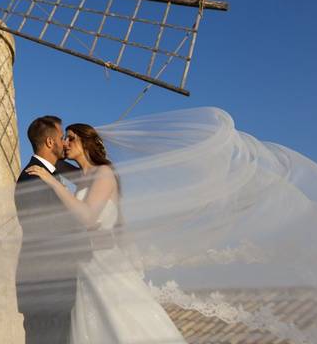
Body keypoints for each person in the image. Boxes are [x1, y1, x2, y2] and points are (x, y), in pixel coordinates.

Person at [25, 123, 187, 344]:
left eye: (71, 138)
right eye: (64, 137)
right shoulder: (82, 176)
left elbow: (88, 217)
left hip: (105, 265)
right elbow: (51, 159)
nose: (66, 142)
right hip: (84, 268)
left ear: (86, 142)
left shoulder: (104, 173)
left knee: (124, 326)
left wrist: (53, 183)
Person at [13, 115, 90, 344]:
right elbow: (45, 232)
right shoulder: (33, 179)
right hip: (45, 287)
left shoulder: (49, 175)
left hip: (55, 285)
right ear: (49, 142)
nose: (65, 143)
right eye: (61, 137)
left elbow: (86, 177)